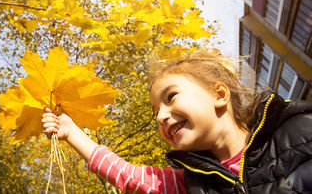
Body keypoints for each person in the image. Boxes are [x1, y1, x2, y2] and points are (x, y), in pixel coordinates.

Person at [42, 49, 312, 193]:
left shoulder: (299, 128)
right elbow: (128, 175)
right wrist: (72, 131)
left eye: (170, 97)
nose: (160, 116)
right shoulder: (190, 185)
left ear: (219, 95)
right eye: (155, 112)